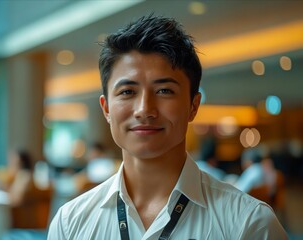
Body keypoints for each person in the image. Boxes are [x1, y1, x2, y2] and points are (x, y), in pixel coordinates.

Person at [48, 15, 287, 239]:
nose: (144, 109)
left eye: (164, 91)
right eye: (127, 92)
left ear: (193, 106)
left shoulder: (248, 223)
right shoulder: (70, 224)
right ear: (106, 108)